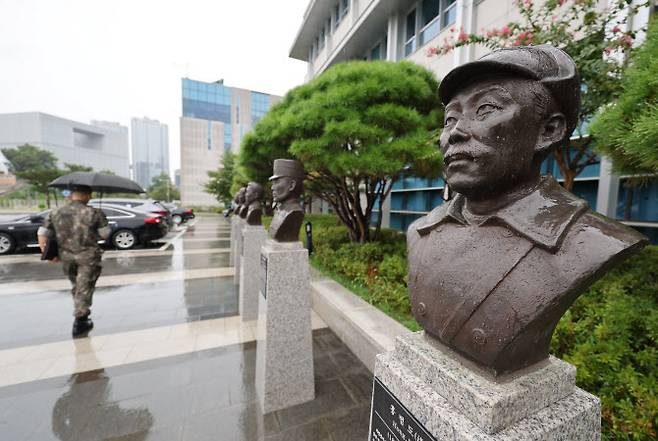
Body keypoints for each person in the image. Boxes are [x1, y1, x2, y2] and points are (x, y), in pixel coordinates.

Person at [407, 45, 647, 376]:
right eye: (450, 118)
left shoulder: (588, 242)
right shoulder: (421, 232)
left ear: (548, 131)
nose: (455, 133)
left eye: (486, 109)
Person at [37, 185, 112, 338]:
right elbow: (105, 234)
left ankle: (81, 313)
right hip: (88, 256)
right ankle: (81, 320)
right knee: (84, 286)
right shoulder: (94, 212)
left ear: (72, 194)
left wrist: (46, 252)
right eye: (90, 195)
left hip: (66, 256)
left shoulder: (56, 211)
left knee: (77, 285)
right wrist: (101, 222)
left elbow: (43, 233)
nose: (90, 198)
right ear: (85, 195)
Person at [269, 159, 305, 242]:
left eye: (277, 182)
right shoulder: (280, 210)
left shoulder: (294, 213)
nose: (272, 188)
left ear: (292, 185)